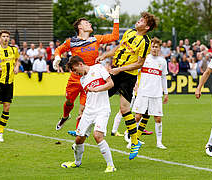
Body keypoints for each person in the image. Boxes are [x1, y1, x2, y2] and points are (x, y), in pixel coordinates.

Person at [96, 12, 158, 160]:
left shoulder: (145, 42)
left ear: (147, 26)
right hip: (116, 71)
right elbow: (118, 48)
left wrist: (119, 69)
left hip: (127, 76)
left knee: (124, 109)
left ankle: (134, 141)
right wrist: (105, 55)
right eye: (139, 18)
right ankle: (82, 127)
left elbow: (139, 63)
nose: (138, 21)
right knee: (98, 96)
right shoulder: (130, 32)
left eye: (142, 20)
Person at [53, 6, 120, 132]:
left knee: (84, 107)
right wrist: (57, 58)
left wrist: (116, 19)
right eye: (86, 22)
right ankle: (65, 116)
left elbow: (115, 36)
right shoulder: (71, 42)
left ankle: (79, 132)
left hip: (90, 78)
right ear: (80, 27)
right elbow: (59, 49)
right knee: (69, 101)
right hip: (75, 78)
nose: (89, 23)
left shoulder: (96, 39)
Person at [60, 56, 116, 172]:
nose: (75, 73)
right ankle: (77, 162)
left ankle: (111, 166)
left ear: (80, 64)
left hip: (102, 109)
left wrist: (97, 89)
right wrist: (83, 112)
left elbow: (110, 84)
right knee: (78, 139)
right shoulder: (82, 80)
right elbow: (88, 97)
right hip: (89, 112)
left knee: (97, 135)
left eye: (75, 70)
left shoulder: (98, 68)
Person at [132, 37, 168, 149]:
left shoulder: (162, 61)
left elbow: (163, 77)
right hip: (143, 92)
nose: (154, 49)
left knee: (158, 118)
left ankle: (159, 142)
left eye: (156, 47)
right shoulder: (144, 58)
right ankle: (133, 140)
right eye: (152, 46)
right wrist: (135, 85)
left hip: (156, 94)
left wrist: (165, 92)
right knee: (138, 116)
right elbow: (135, 72)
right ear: (150, 47)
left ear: (159, 48)